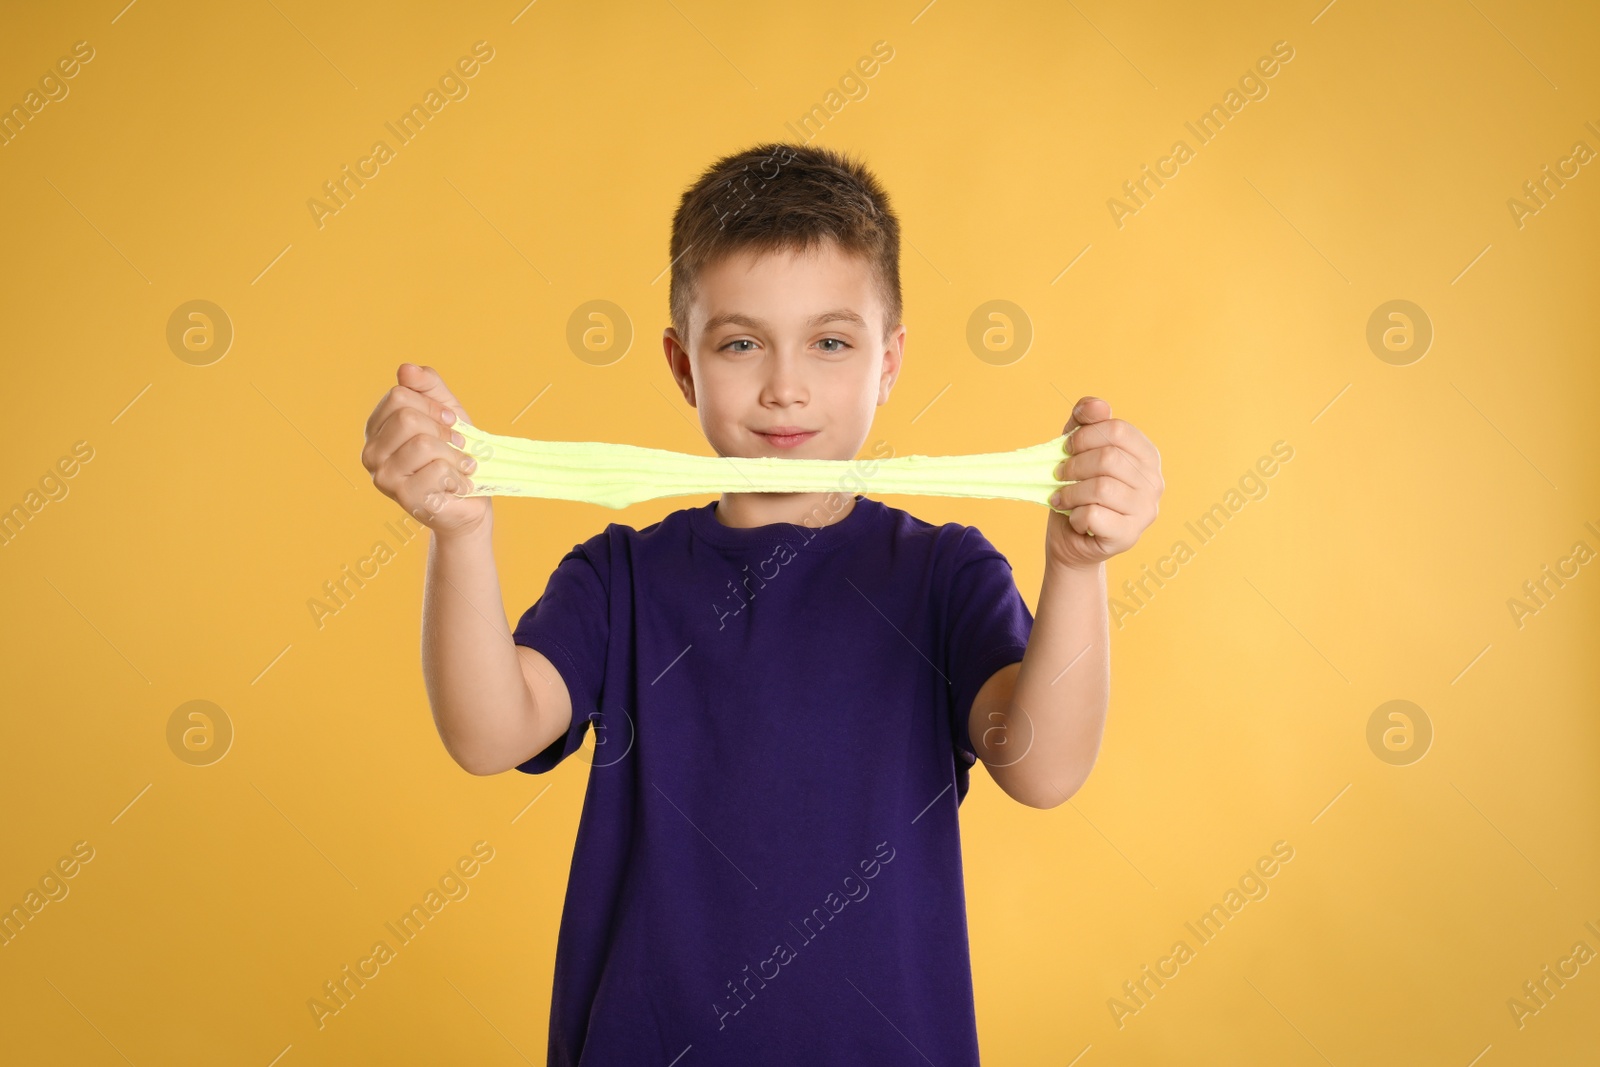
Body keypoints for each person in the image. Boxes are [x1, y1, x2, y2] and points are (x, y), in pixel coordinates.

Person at [361, 142, 1163, 1065]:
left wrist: (1076, 565)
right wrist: (459, 534)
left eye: (830, 342)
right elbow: (488, 732)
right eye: (741, 342)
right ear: (681, 364)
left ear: (890, 360)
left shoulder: (943, 574)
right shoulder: (620, 578)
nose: (785, 386)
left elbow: (1044, 768)